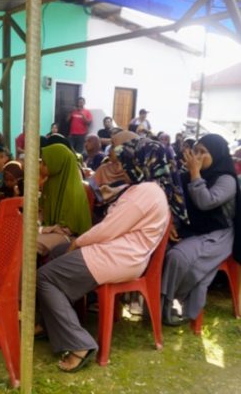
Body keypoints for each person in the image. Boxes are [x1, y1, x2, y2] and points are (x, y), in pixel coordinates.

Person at [37, 137, 178, 373]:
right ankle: (51, 323)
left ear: (141, 162)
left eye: (126, 162)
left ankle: (79, 343)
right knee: (57, 252)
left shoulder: (145, 192)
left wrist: (78, 242)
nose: (121, 167)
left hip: (117, 256)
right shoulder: (151, 189)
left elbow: (108, 229)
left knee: (44, 277)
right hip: (121, 254)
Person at [162, 134, 241, 325]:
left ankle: (167, 302)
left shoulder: (226, 179)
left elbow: (205, 202)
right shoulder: (186, 175)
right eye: (195, 150)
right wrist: (172, 224)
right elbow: (176, 203)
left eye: (203, 152)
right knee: (159, 249)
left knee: (178, 257)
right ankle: (156, 301)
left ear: (216, 154)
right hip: (190, 228)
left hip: (219, 234)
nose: (196, 156)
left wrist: (195, 175)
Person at [37, 144, 92, 258]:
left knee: (29, 244)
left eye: (44, 164)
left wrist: (42, 229)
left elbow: (68, 228)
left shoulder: (73, 192)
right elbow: (41, 209)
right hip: (49, 230)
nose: (40, 166)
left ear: (57, 165)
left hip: (66, 236)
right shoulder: (50, 183)